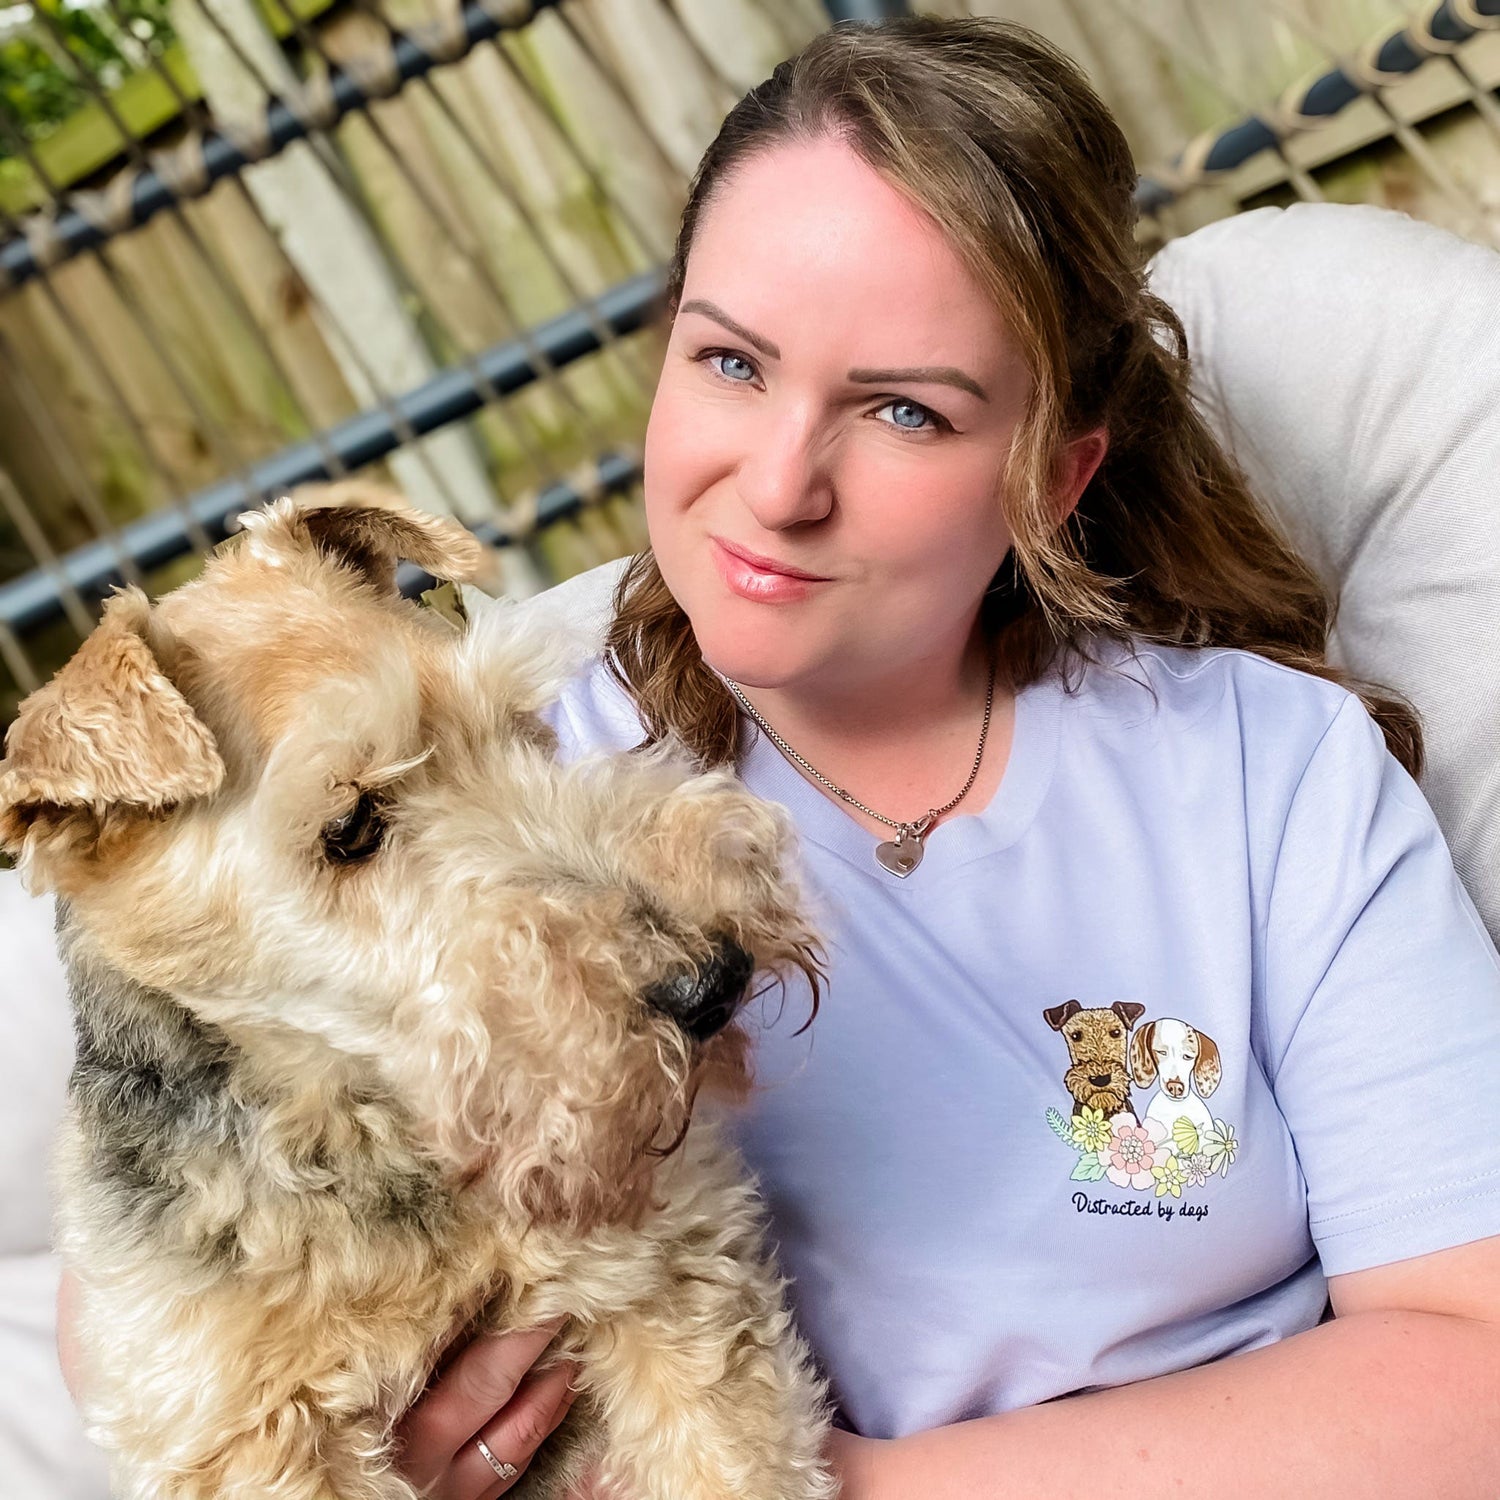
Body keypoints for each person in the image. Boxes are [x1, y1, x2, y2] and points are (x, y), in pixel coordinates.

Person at [58, 15, 1500, 1499]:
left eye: (901, 409)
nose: (778, 485)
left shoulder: (1269, 772)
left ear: (1054, 475)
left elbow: (1474, 1371)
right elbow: (167, 1226)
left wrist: (820, 1489)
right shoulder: (495, 758)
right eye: (733, 362)